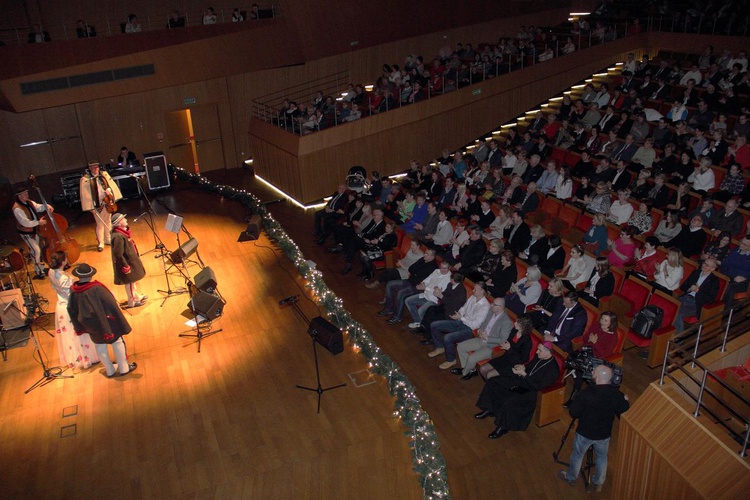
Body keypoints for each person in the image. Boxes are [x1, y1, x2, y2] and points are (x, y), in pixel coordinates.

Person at [558, 365, 629, 492]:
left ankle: (571, 477)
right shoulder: (616, 394)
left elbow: (573, 412)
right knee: (602, 457)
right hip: (604, 434)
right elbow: (624, 411)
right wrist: (625, 400)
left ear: (597, 377)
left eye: (594, 372)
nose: (591, 372)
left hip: (585, 432)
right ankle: (598, 483)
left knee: (577, 455)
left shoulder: (586, 393)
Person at [474, 341, 560, 439]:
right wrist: (522, 367)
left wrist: (524, 374)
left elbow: (538, 386)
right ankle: (490, 408)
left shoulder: (553, 370)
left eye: (539, 350)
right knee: (494, 382)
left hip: (532, 392)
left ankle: (503, 426)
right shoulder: (540, 357)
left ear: (548, 353)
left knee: (510, 400)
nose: (536, 352)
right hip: (523, 381)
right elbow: (530, 366)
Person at [67, 263, 137, 378]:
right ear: (90, 276)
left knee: (99, 345)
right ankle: (124, 367)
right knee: (117, 342)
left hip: (89, 324)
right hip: (106, 321)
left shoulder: (74, 291)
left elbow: (71, 308)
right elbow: (111, 303)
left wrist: (78, 326)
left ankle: (110, 370)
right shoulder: (96, 288)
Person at [48, 251, 98, 371]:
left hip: (60, 305)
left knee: (70, 335)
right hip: (69, 306)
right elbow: (70, 292)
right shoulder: (64, 278)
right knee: (78, 332)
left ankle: (76, 358)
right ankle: (86, 358)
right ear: (63, 261)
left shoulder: (51, 272)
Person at [428, 281, 491, 370]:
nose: (473, 291)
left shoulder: (485, 307)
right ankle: (439, 347)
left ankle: (451, 360)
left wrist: (461, 318)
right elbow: (464, 308)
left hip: (469, 330)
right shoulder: (473, 297)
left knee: (448, 338)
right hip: (460, 322)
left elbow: (474, 325)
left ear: (482, 291)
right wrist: (459, 314)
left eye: (475, 289)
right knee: (434, 325)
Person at [564, 311, 620, 406]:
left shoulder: (613, 336)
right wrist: (589, 340)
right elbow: (585, 338)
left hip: (597, 359)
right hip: (586, 352)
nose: (602, 322)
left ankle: (578, 397)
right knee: (570, 359)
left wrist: (595, 342)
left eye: (606, 321)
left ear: (611, 323)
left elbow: (604, 354)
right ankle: (574, 392)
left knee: (581, 371)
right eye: (602, 319)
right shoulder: (596, 325)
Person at [453, 297, 513, 380]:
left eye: (494, 304)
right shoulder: (491, 312)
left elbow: (503, 340)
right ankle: (470, 369)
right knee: (460, 347)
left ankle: (465, 372)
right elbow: (483, 324)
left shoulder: (507, 322)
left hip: (491, 346)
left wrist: (487, 338)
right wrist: (480, 331)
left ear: (500, 307)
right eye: (492, 303)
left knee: (472, 358)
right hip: (481, 339)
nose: (491, 305)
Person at [79, 162, 123, 252]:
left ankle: (108, 239)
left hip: (107, 202)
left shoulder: (104, 175)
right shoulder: (85, 179)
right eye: (93, 167)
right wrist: (90, 207)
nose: (96, 169)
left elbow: (111, 184)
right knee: (100, 224)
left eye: (97, 167)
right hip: (97, 204)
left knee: (108, 221)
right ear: (90, 168)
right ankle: (101, 242)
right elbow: (85, 195)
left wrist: (109, 190)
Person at [12, 184, 51, 279]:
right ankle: (39, 272)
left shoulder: (29, 202)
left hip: (34, 230)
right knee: (36, 251)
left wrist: (47, 206)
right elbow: (25, 223)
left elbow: (39, 207)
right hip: (27, 233)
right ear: (19, 196)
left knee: (37, 251)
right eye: (24, 193)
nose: (26, 194)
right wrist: (39, 222)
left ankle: (40, 268)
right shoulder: (17, 208)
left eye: (26, 192)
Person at [480, 315, 534, 380]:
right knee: (482, 369)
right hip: (505, 357)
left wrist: (509, 349)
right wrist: (504, 345)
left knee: (489, 375)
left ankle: (491, 386)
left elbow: (523, 359)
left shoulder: (527, 341)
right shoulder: (514, 330)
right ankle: (491, 385)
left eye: (517, 323)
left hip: (514, 364)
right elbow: (508, 342)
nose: (515, 323)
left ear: (524, 326)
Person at [110, 213, 147, 308]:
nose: (125, 219)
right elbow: (118, 254)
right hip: (126, 263)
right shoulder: (118, 236)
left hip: (130, 260)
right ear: (119, 224)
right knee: (129, 283)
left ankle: (135, 296)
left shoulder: (122, 233)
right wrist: (125, 265)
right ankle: (132, 301)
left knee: (132, 282)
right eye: (123, 219)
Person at [674, 258, 720, 332]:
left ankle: (679, 338)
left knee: (677, 314)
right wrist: (690, 289)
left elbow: (710, 299)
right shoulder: (696, 272)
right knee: (669, 307)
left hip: (696, 303)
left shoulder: (714, 281)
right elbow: (683, 287)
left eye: (707, 265)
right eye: (704, 263)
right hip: (685, 298)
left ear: (712, 269)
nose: (703, 265)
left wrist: (698, 291)